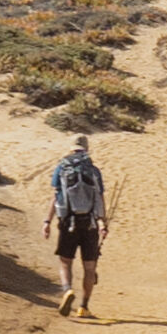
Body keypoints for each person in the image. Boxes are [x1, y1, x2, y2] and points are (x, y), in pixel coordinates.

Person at [43, 134, 110, 319]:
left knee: (66, 262)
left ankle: (67, 290)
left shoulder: (61, 168)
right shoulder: (94, 171)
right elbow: (100, 198)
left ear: (71, 148)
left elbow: (56, 196)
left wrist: (47, 222)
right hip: (90, 224)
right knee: (90, 268)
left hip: (67, 222)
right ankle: (84, 307)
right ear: (86, 149)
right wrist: (103, 223)